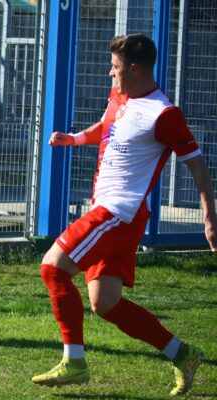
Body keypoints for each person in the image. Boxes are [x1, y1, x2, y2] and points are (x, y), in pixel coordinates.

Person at [31, 33, 216, 396]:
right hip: (114, 212)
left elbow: (197, 166)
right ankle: (183, 353)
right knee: (106, 304)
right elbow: (107, 128)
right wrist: (74, 138)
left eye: (115, 68)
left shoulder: (164, 114)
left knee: (53, 267)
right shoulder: (120, 96)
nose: (109, 73)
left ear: (133, 68)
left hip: (119, 212)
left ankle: (75, 362)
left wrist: (210, 216)